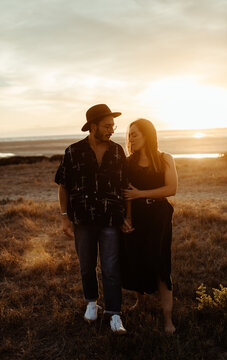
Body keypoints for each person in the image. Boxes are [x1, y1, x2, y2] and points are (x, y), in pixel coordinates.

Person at [55, 104, 127, 334]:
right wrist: (65, 218)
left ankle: (114, 313)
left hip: (110, 219)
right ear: (93, 127)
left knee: (111, 267)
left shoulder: (117, 151)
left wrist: (126, 215)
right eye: (107, 126)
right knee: (86, 265)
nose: (111, 130)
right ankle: (91, 303)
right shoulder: (73, 151)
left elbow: (124, 186)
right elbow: (63, 186)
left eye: (113, 126)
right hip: (82, 220)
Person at [121, 118, 178, 334]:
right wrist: (127, 218)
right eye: (129, 134)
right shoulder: (128, 162)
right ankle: (141, 301)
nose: (131, 137)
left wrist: (141, 194)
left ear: (147, 134)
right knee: (136, 259)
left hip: (159, 217)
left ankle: (167, 319)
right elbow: (127, 193)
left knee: (160, 263)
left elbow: (171, 188)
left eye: (135, 133)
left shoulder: (165, 159)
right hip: (137, 215)